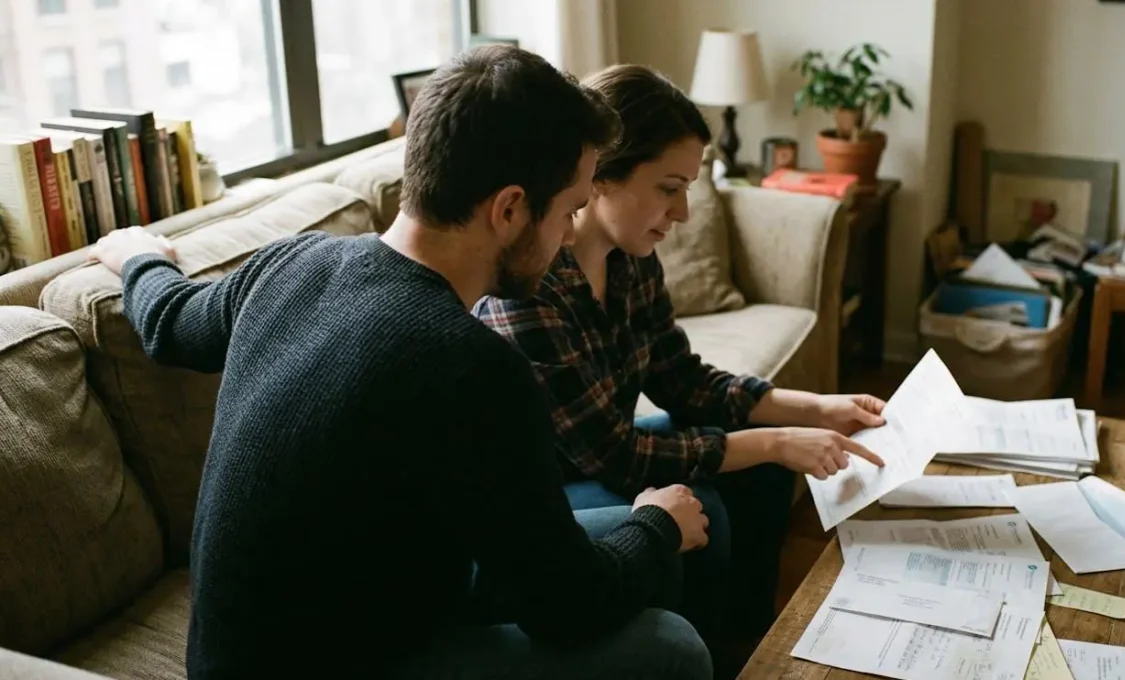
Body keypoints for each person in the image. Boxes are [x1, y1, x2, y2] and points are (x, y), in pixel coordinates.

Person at [86, 46, 714, 680]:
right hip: (343, 661)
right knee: (672, 645)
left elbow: (169, 322)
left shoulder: (293, 264)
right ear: (510, 209)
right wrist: (656, 527)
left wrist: (141, 257)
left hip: (331, 614)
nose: (573, 234)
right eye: (570, 210)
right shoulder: (475, 368)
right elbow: (568, 609)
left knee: (656, 521)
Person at [474, 64, 888, 675]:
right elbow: (613, 457)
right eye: (669, 187)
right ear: (601, 174)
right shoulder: (527, 287)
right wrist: (776, 438)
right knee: (715, 501)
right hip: (553, 480)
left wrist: (815, 407)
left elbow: (684, 381)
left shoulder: (632, 259)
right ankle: (706, 658)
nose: (685, 212)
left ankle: (751, 646)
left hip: (602, 451)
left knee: (767, 473)